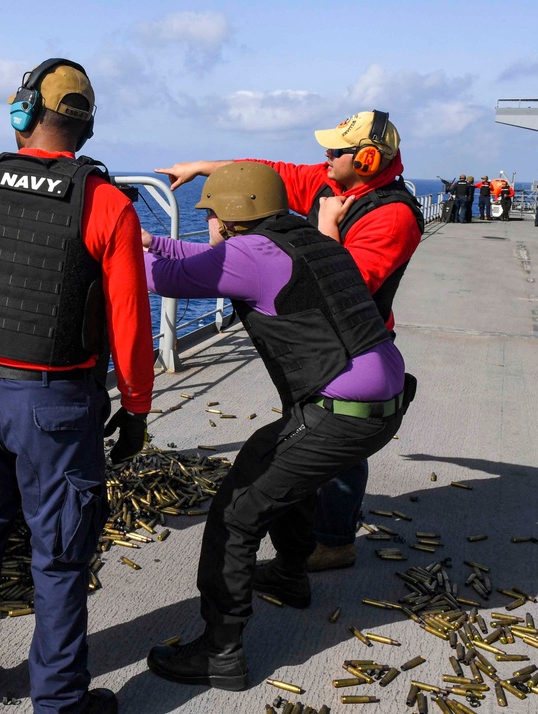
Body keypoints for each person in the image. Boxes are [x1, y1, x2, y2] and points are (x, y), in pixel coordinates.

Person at [0, 57, 154, 714]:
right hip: (55, 404)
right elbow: (130, 326)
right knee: (58, 555)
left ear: (23, 113)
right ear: (85, 126)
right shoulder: (104, 202)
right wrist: (135, 410)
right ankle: (58, 702)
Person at [142, 162, 412, 690]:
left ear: (229, 216)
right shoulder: (303, 239)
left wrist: (100, 241)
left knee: (237, 512)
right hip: (379, 399)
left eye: (211, 214)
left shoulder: (249, 256)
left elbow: (160, 276)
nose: (208, 224)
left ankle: (220, 654)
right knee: (280, 468)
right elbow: (192, 256)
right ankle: (290, 574)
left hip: (340, 411)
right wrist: (142, 236)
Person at [155, 110, 423, 572]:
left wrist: (327, 227)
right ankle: (301, 545)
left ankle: (335, 540)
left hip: (352, 343)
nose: (326, 155)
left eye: (337, 150)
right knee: (309, 437)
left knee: (337, 440)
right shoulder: (331, 182)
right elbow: (271, 175)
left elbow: (341, 283)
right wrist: (203, 168)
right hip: (318, 344)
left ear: (365, 158)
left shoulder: (393, 215)